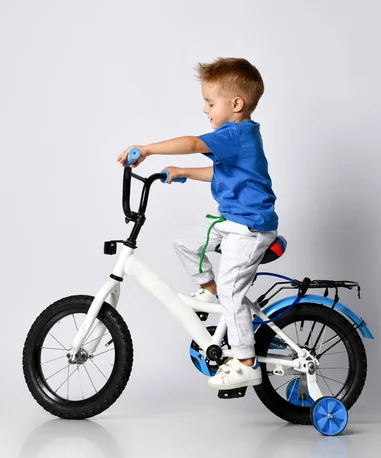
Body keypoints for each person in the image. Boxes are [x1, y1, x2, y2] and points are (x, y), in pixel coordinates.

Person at [116, 57, 279, 390]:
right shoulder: (237, 137)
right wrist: (184, 173)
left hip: (250, 227)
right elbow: (222, 174)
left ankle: (246, 362)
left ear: (236, 104)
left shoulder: (236, 133)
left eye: (210, 102)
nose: (205, 110)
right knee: (185, 241)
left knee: (233, 292)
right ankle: (211, 292)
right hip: (234, 221)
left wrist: (148, 149)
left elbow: (192, 143)